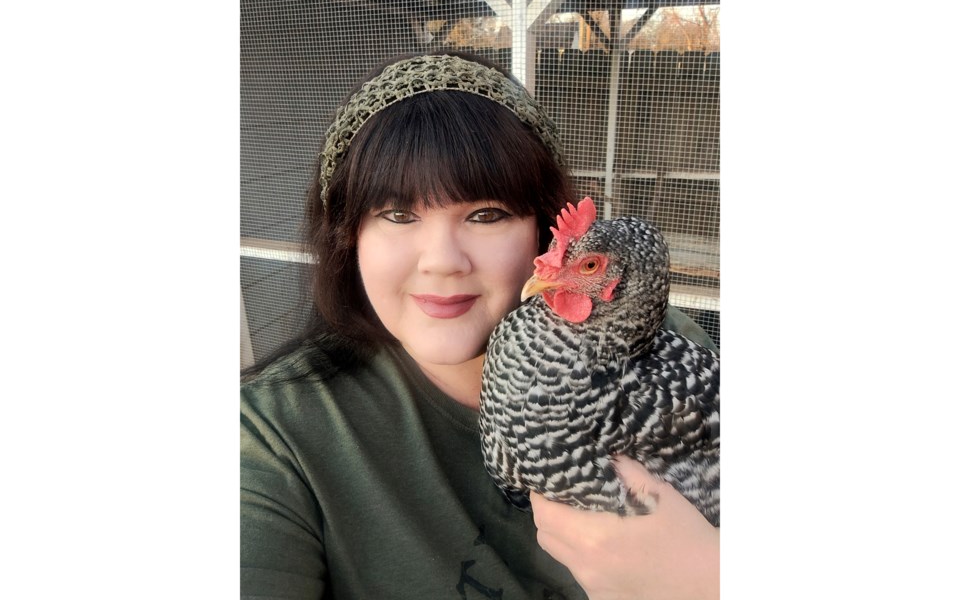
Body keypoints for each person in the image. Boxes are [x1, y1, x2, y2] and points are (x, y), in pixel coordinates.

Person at [241, 50, 719, 599]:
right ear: (349, 236)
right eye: (398, 215)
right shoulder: (270, 440)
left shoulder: (679, 348)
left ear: (543, 232)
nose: (442, 260)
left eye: (486, 215)